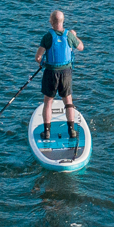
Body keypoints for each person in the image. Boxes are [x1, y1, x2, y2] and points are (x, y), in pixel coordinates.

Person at [36, 10, 85, 144]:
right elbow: (81, 47)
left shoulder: (47, 37)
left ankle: (46, 132)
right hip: (66, 73)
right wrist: (75, 36)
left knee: (48, 102)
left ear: (52, 22)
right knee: (68, 101)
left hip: (51, 73)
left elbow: (38, 57)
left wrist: (42, 63)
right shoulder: (69, 35)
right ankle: (71, 131)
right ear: (62, 21)